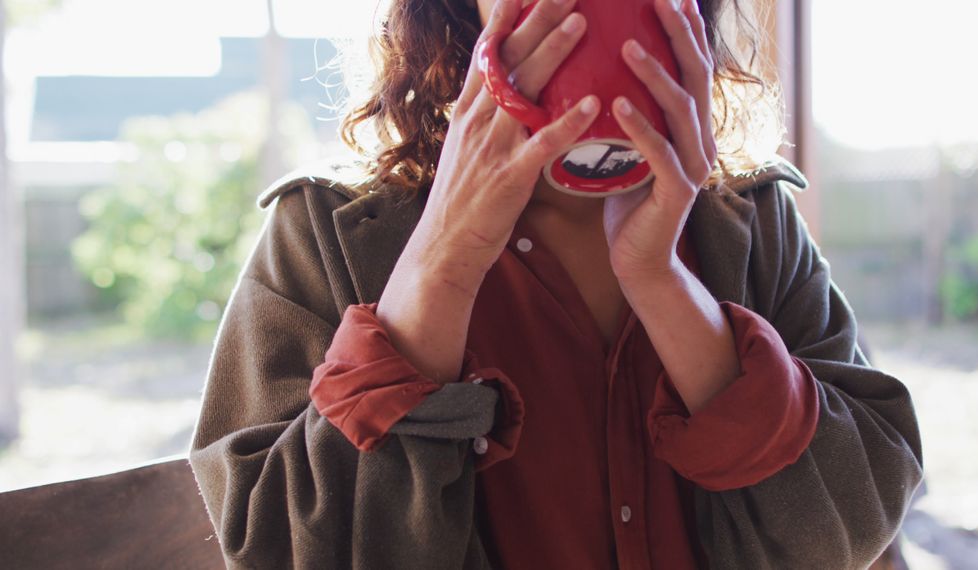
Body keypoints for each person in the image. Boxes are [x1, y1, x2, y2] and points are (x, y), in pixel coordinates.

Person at [188, 0, 924, 568]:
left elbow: (851, 531)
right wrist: (444, 260)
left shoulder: (752, 223)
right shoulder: (324, 235)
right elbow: (274, 550)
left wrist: (661, 280)